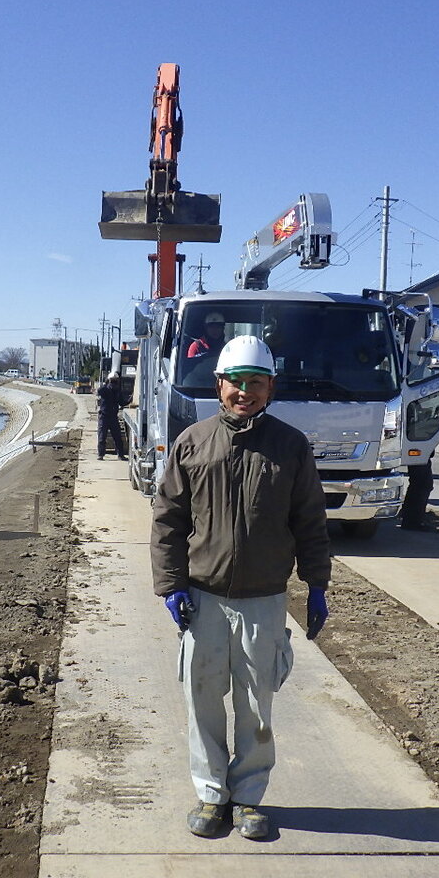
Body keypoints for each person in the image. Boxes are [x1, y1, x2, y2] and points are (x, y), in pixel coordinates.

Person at [151, 335, 331, 841]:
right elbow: (167, 520)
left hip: (264, 601)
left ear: (270, 387)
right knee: (203, 699)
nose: (244, 392)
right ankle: (211, 795)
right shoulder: (193, 442)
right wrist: (171, 585)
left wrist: (316, 583)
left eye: (255, 383)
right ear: (219, 385)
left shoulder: (291, 446)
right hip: (203, 597)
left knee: (256, 706)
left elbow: (310, 521)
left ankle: (248, 798)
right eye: (236, 382)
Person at [398, 434, 439, 530]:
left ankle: (408, 517)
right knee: (422, 485)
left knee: (418, 484)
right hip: (418, 450)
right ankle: (412, 522)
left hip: (418, 449)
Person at [96, 373, 127, 460]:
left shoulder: (117, 391)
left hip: (113, 417)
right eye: (112, 381)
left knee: (117, 437)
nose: (114, 383)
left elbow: (122, 402)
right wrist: (106, 382)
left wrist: (130, 400)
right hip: (104, 416)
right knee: (102, 437)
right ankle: (100, 454)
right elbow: (99, 391)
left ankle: (120, 455)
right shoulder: (105, 390)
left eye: (115, 381)